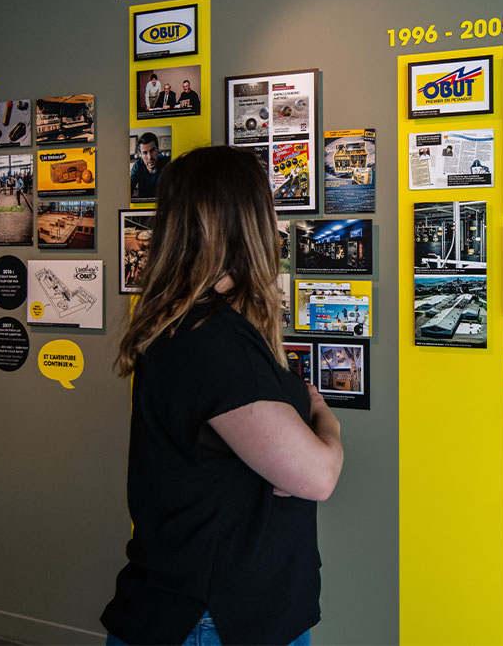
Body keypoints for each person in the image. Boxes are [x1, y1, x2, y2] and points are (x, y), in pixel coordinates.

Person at [102, 146, 343, 646]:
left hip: (226, 606)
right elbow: (318, 476)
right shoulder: (209, 340)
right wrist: (325, 422)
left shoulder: (206, 327)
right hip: (213, 619)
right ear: (247, 220)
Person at [129, 132, 169, 200]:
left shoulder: (167, 164)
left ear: (157, 149)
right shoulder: (137, 167)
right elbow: (128, 191)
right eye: (145, 153)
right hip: (142, 207)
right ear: (140, 154)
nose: (150, 157)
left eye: (152, 150)